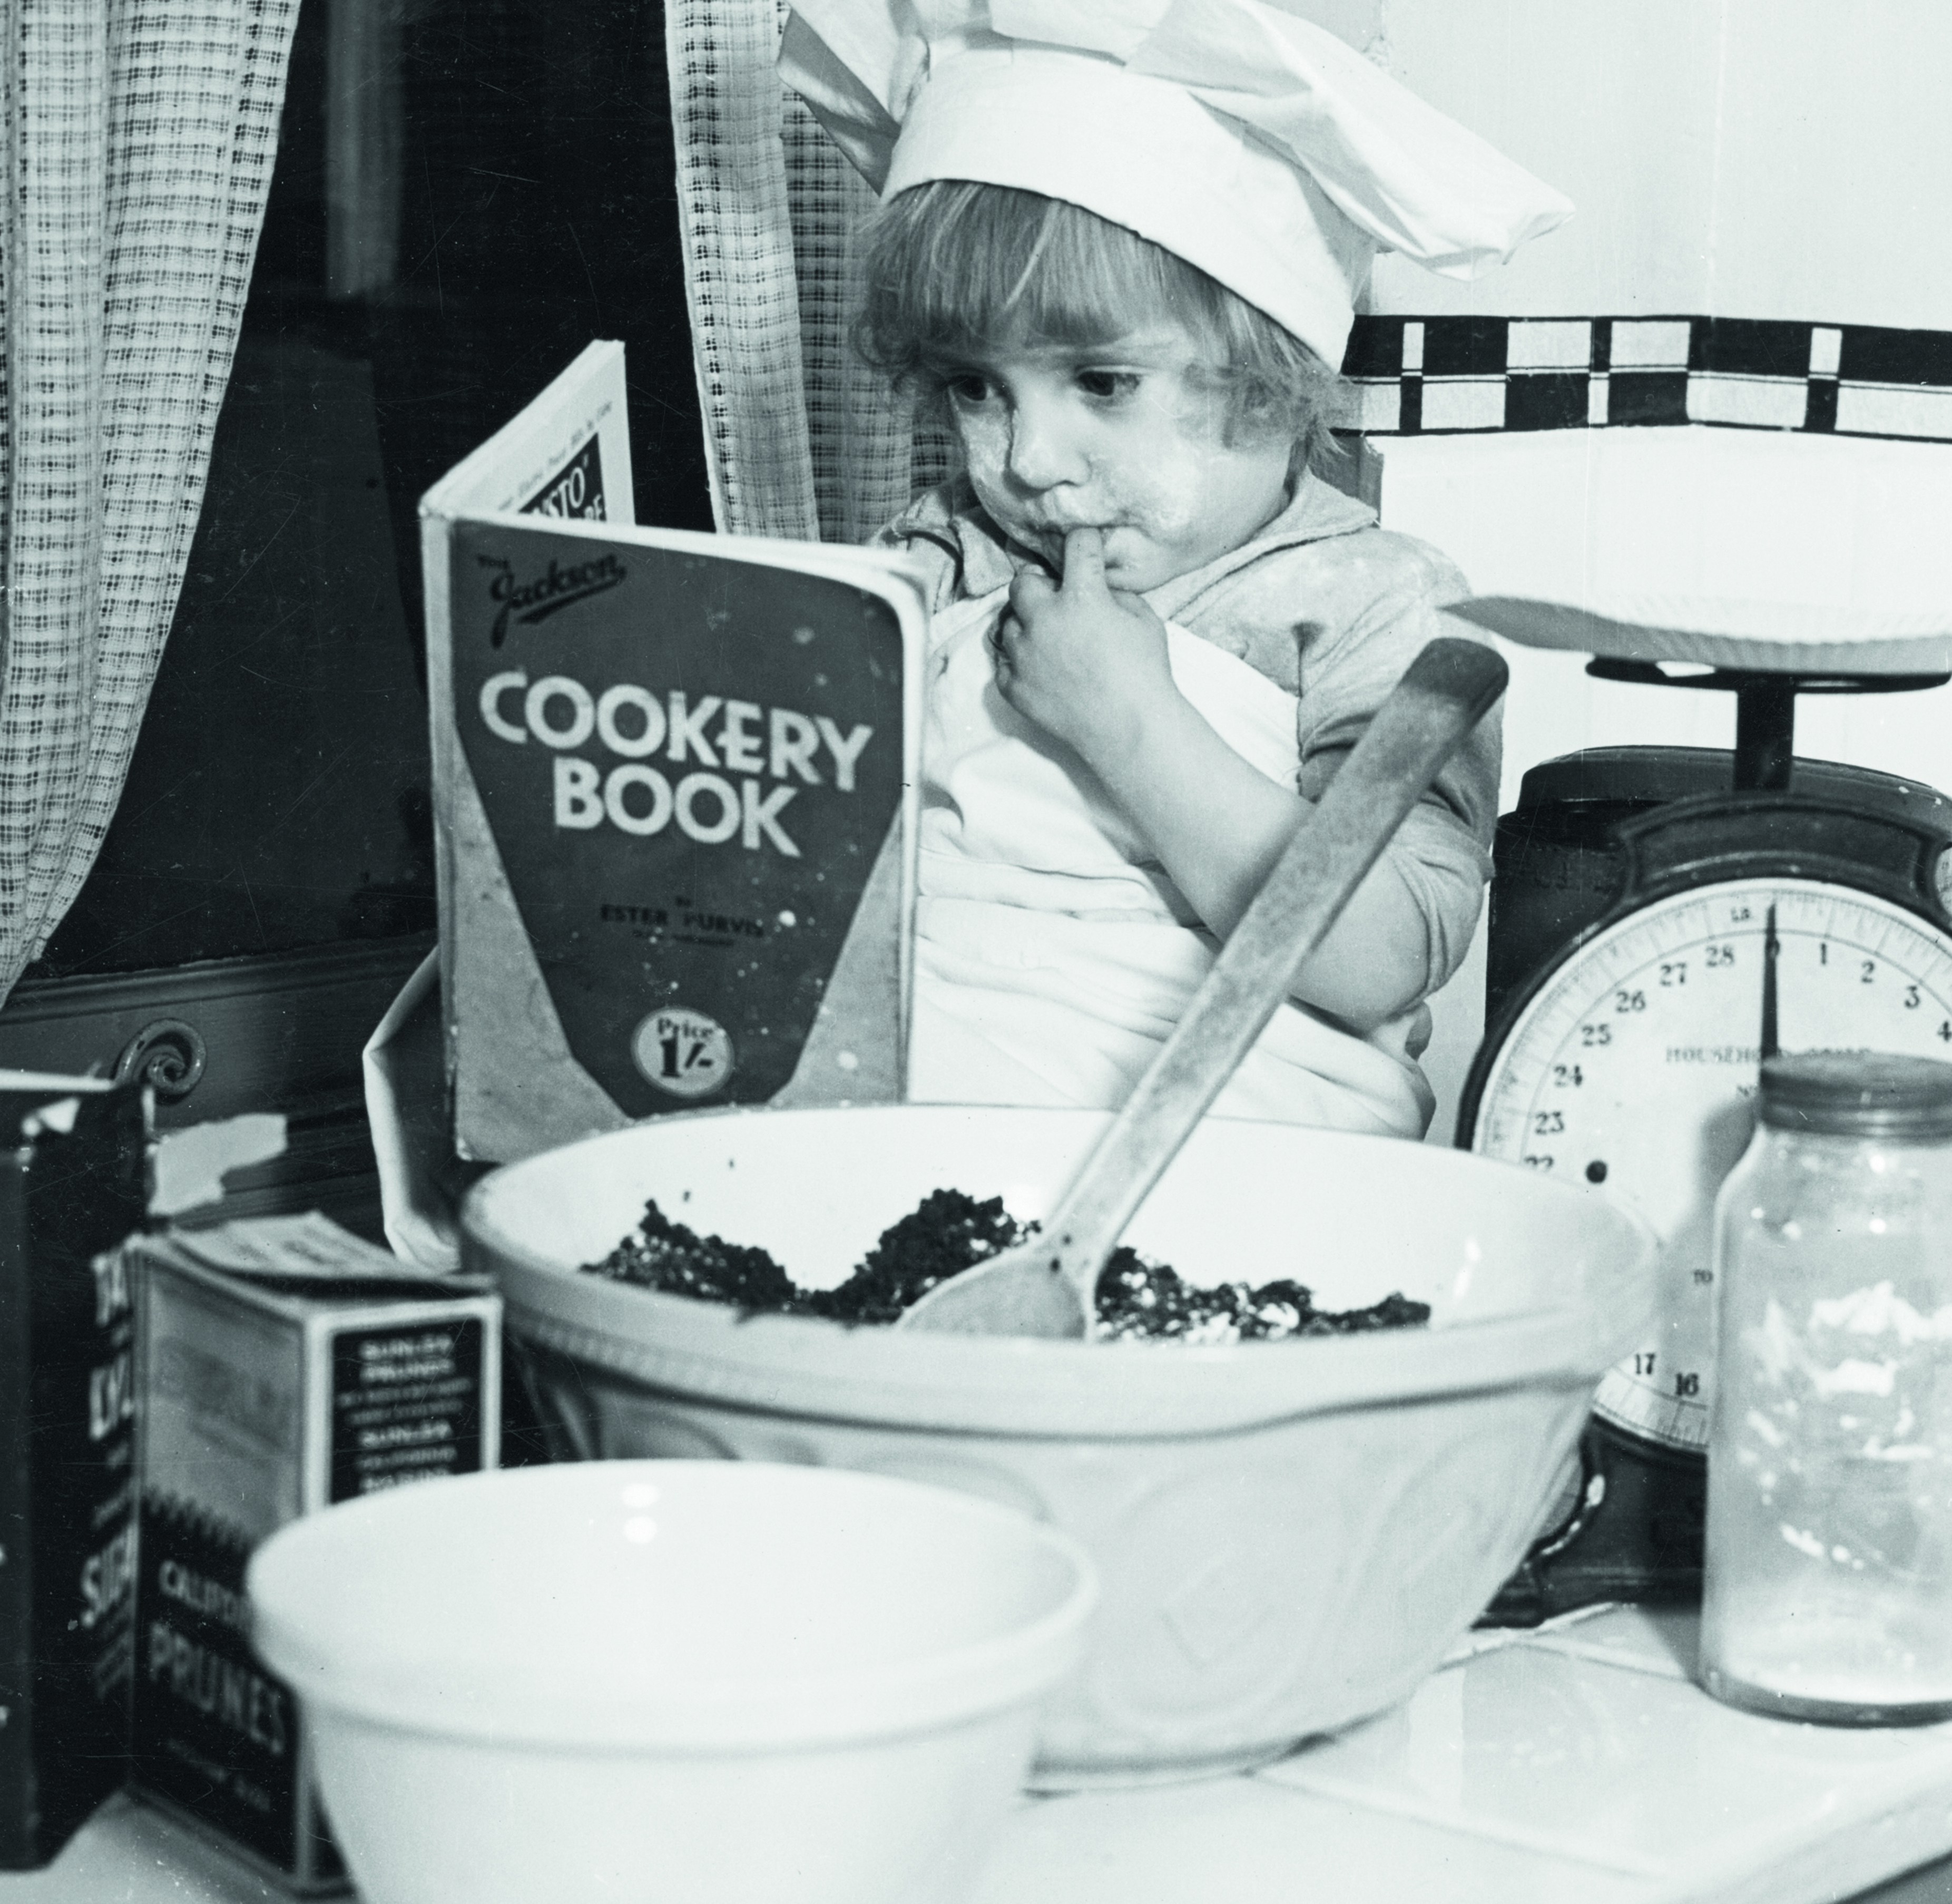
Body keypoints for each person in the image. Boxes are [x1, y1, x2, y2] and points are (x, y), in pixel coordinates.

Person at [780, 0, 1571, 1138]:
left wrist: (1131, 720)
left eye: (1100, 383)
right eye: (975, 387)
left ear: (1269, 375)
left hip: (1214, 1160)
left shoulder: (1375, 608)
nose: (1030, 460)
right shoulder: (942, 555)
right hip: (910, 1116)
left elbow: (1384, 956)